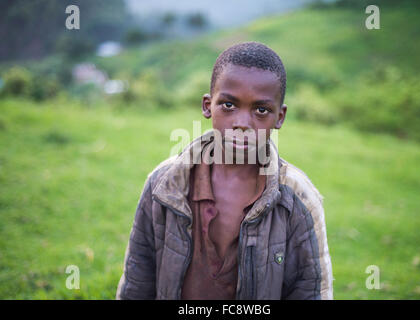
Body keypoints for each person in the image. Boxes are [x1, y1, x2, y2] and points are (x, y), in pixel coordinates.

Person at [116, 42, 333, 300]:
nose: (242, 123)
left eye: (261, 110)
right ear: (208, 106)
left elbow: (310, 288)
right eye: (229, 105)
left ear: (280, 117)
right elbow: (138, 277)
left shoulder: (298, 196)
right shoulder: (165, 183)